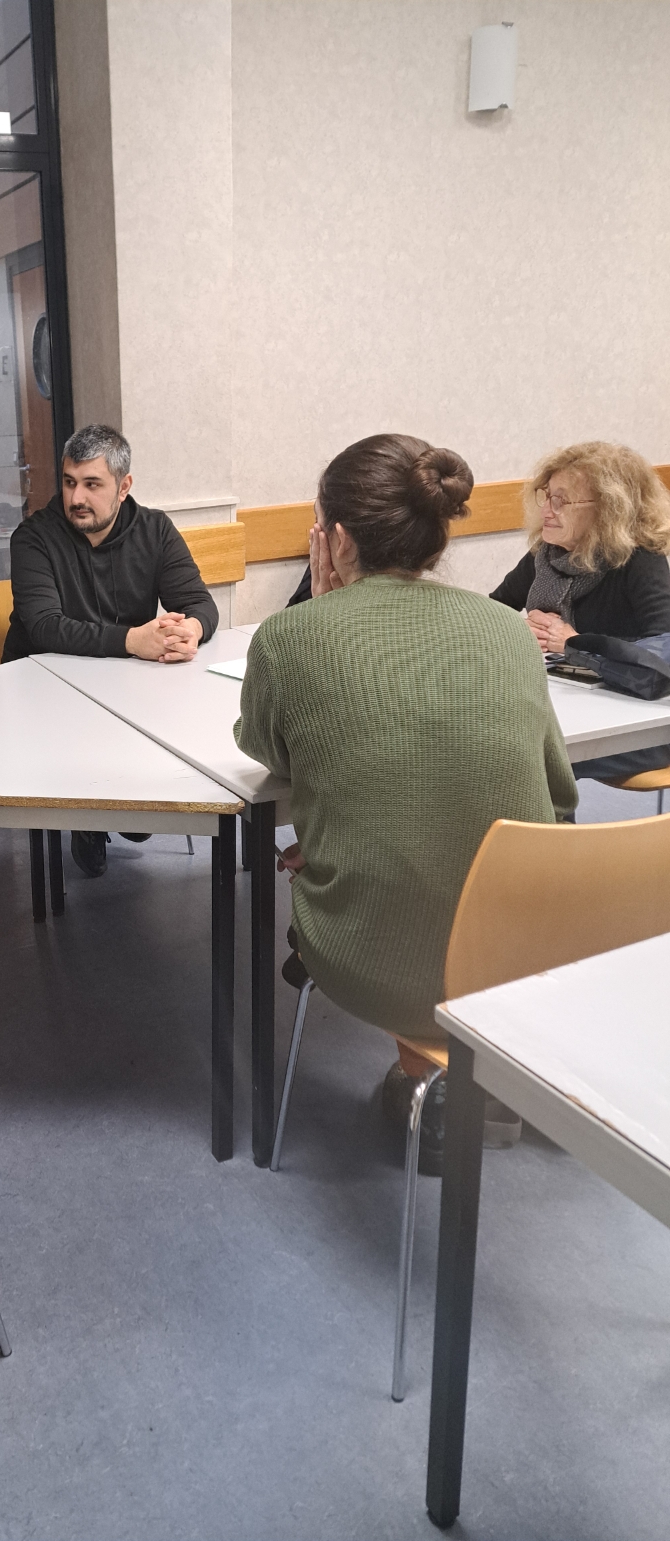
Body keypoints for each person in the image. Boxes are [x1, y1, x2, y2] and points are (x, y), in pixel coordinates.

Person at [235, 434, 577, 1171]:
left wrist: (323, 616)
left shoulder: (289, 639)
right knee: (449, 853)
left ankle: (427, 1082)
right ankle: (490, 1075)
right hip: (520, 950)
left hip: (377, 956)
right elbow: (558, 792)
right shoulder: (508, 630)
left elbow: (267, 748)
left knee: (390, 884)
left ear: (336, 540)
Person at [3, 424, 219, 876]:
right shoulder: (33, 537)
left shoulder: (155, 529)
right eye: (68, 482)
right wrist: (132, 641)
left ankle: (123, 803)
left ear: (124, 487)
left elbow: (199, 603)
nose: (76, 497)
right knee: (91, 744)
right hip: (47, 692)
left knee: (162, 721)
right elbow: (44, 628)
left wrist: (191, 629)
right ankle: (90, 816)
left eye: (92, 484)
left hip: (124, 687)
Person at [490, 441, 670, 784]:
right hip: (576, 704)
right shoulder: (547, 554)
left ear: (608, 509)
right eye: (547, 496)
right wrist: (518, 629)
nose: (547, 511)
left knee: (533, 760)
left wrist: (574, 643)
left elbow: (662, 652)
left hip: (642, 725)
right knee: (516, 746)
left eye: (562, 501)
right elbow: (493, 610)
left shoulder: (640, 559)